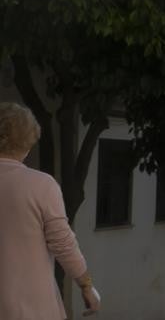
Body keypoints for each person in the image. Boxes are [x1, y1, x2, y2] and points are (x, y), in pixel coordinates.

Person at [0, 102, 101, 320]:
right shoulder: (41, 186)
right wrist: (86, 285)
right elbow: (63, 243)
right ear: (28, 142)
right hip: (32, 308)